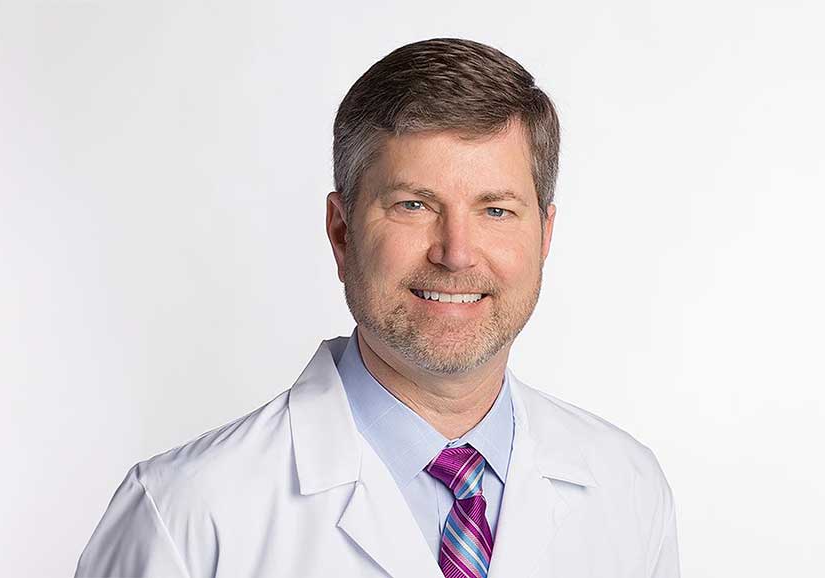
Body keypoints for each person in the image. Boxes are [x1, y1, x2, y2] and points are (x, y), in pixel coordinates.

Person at [75, 38, 680, 578]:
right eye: (414, 205)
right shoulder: (185, 516)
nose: (456, 253)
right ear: (342, 233)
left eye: (496, 210)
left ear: (544, 236)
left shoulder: (628, 490)